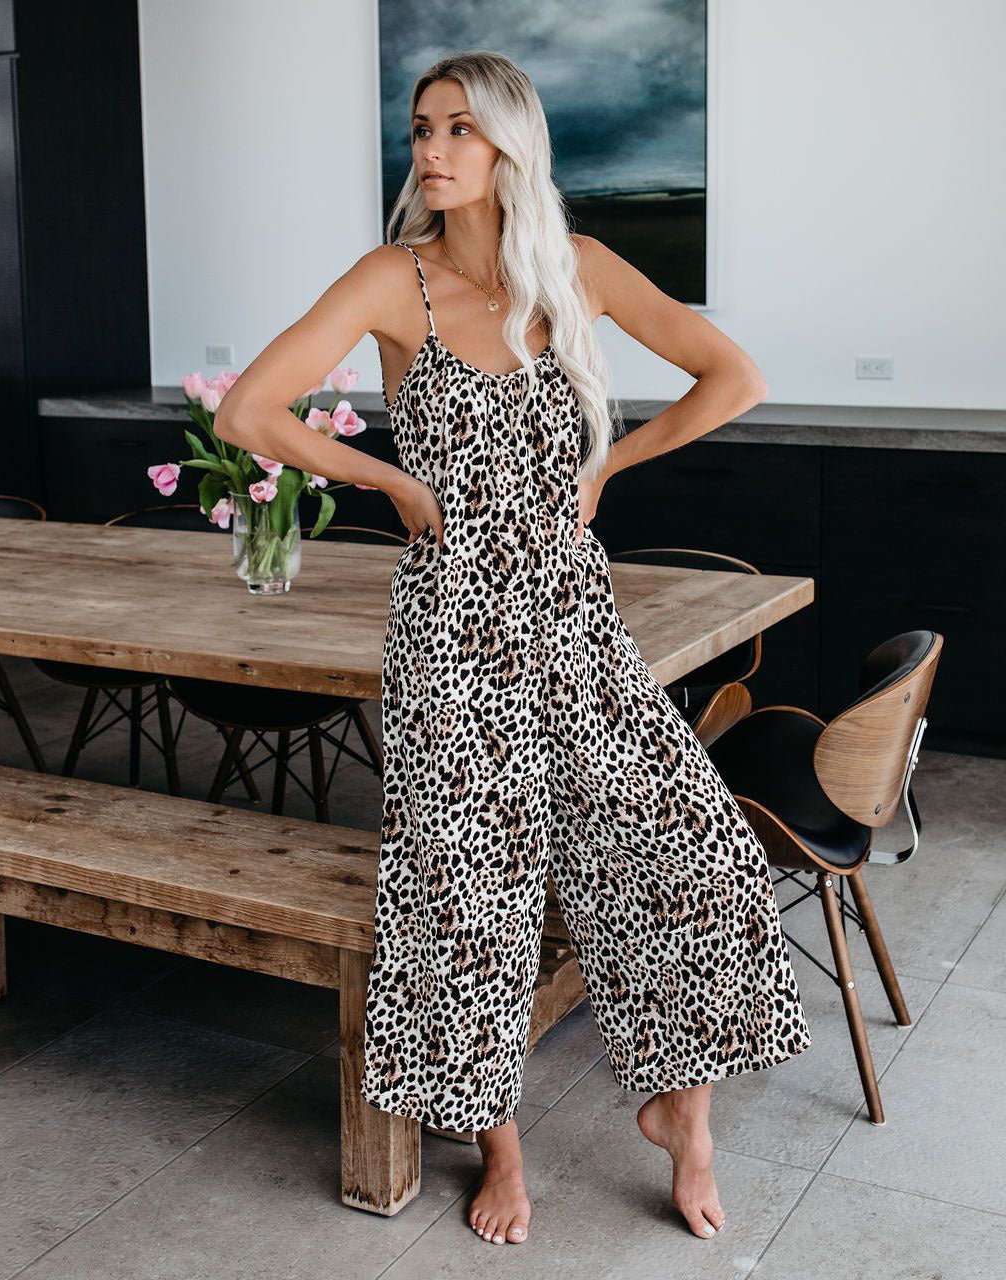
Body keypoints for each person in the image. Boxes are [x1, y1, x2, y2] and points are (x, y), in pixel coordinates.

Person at [215, 49, 811, 1250]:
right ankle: (500, 1145)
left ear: (507, 147)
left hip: (574, 620)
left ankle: (679, 1110)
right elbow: (247, 412)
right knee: (470, 896)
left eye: (456, 131)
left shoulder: (574, 272)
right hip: (450, 635)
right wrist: (393, 480)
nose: (429, 151)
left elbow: (731, 376)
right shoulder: (396, 279)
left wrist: (609, 463)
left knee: (695, 851)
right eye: (420, 129)